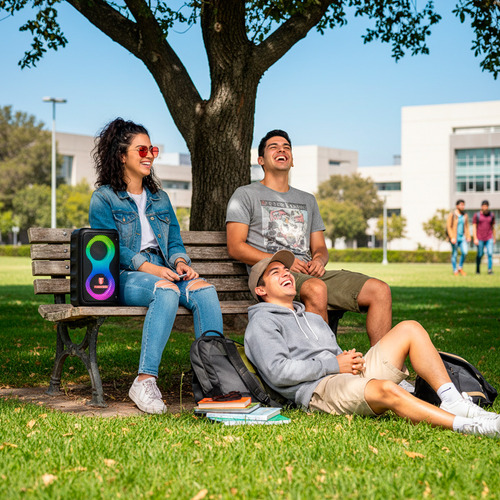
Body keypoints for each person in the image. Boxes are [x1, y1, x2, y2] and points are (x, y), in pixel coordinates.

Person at [244, 250, 500, 437]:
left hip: (346, 374)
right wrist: (334, 364)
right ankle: (471, 426)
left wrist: (348, 360)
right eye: (275, 273)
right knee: (387, 389)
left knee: (409, 328)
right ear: (261, 291)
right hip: (318, 391)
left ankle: (452, 400)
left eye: (286, 270)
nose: (286, 273)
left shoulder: (308, 315)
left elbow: (331, 354)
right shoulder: (262, 322)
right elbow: (278, 371)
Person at [89, 118, 223, 414]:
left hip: (165, 269)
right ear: (121, 155)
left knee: (205, 291)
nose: (149, 155)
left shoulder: (160, 198)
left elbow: (174, 241)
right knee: (165, 290)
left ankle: (215, 383)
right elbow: (109, 248)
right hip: (125, 275)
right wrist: (151, 269)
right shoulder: (104, 198)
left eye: (152, 149)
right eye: (142, 150)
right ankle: (144, 380)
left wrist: (180, 262)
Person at [226, 129, 392, 346]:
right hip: (273, 275)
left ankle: (383, 363)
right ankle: (326, 361)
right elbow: (236, 247)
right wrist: (282, 262)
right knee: (316, 288)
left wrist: (319, 261)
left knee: (379, 290)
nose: (281, 150)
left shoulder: (307, 200)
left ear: (292, 160)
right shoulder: (245, 195)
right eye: (273, 147)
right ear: (261, 160)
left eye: (286, 147)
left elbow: (320, 248)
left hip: (308, 274)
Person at [446, 199, 471, 276]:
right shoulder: (452, 215)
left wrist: (468, 236)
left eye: (463, 205)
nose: (463, 206)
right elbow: (448, 227)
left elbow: (466, 226)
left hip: (462, 237)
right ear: (457, 206)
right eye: (461, 205)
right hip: (454, 237)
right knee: (455, 254)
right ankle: (455, 270)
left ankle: (460, 267)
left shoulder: (465, 215)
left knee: (465, 252)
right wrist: (452, 237)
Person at [473, 200, 496, 275]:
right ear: (481, 207)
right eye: (484, 206)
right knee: (480, 254)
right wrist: (475, 238)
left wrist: (494, 238)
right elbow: (474, 227)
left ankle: (490, 270)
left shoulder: (491, 215)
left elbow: (493, 227)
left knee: (490, 253)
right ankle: (478, 269)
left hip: (489, 237)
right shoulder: (477, 215)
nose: (485, 208)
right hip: (480, 238)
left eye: (486, 206)